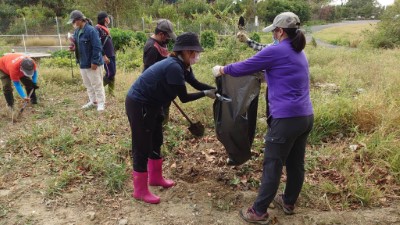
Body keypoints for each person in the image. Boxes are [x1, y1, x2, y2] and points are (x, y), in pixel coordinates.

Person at [212, 12, 314, 224]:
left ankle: (258, 211)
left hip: (285, 119)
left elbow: (246, 65)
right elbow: (281, 74)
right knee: (296, 163)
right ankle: (288, 202)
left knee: (272, 163)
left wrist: (222, 70)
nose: (274, 35)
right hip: (304, 117)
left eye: (275, 31)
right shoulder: (298, 52)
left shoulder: (278, 49)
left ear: (281, 31)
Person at [126, 32, 216, 204]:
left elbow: (195, 83)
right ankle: (140, 190)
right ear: (187, 52)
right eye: (195, 53)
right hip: (139, 103)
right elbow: (184, 97)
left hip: (154, 103)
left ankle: (155, 178)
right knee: (142, 145)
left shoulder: (184, 65)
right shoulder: (174, 67)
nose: (197, 56)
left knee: (157, 139)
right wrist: (205, 94)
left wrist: (216, 89)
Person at [68, 10, 106, 111]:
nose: (73, 24)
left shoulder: (91, 30)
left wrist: (94, 62)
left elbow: (97, 47)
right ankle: (93, 101)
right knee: (88, 84)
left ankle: (101, 103)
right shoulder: (77, 31)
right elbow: (77, 44)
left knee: (97, 84)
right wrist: (73, 48)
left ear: (80, 20)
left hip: (92, 64)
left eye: (74, 21)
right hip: (82, 62)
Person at [143, 19, 177, 124]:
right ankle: (158, 125)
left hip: (163, 82)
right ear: (161, 34)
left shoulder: (162, 43)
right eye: (167, 36)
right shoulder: (152, 47)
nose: (168, 39)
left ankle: (164, 123)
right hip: (155, 85)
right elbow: (149, 71)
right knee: (156, 109)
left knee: (166, 104)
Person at [96, 11, 117, 96]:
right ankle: (98, 91)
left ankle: (111, 93)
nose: (109, 19)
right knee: (110, 73)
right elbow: (98, 44)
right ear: (105, 19)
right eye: (108, 18)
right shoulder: (97, 29)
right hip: (106, 56)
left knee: (113, 72)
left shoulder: (105, 28)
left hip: (111, 54)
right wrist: (104, 55)